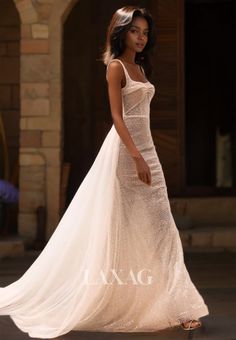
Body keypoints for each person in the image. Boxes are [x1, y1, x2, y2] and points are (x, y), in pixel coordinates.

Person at [0, 5, 209, 338]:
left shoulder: (140, 67)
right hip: (128, 154)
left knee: (160, 227)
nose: (141, 37)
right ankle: (179, 310)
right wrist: (137, 157)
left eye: (144, 32)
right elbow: (117, 117)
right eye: (134, 31)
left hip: (148, 150)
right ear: (121, 31)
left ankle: (172, 305)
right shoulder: (116, 67)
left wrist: (148, 155)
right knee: (130, 224)